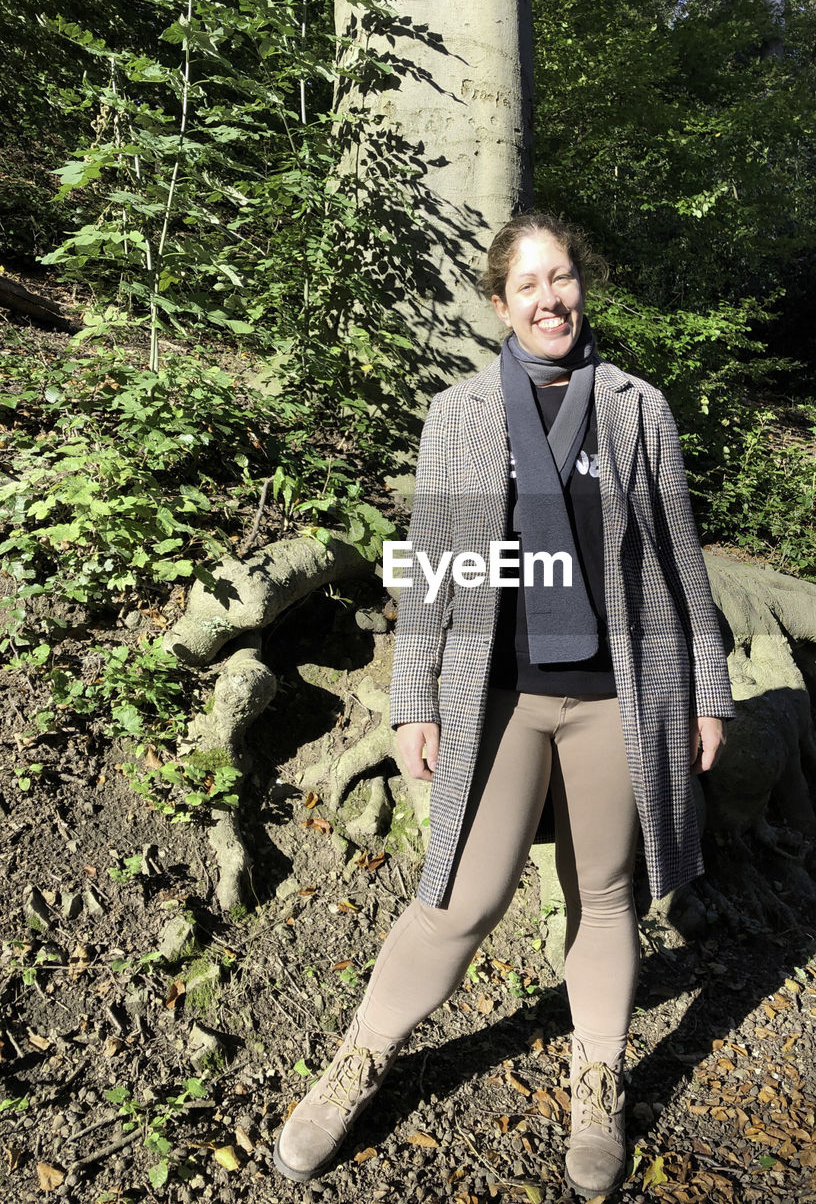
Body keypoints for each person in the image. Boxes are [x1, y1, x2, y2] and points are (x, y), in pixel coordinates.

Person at [274, 214, 734, 1198]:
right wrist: (411, 700)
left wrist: (708, 686)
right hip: (501, 696)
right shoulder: (460, 413)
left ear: (580, 286)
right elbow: (432, 573)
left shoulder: (637, 407)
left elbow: (680, 559)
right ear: (500, 302)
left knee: (605, 893)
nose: (550, 297)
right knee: (460, 900)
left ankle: (598, 1079)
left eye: (562, 277)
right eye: (529, 284)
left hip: (618, 693)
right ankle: (354, 1065)